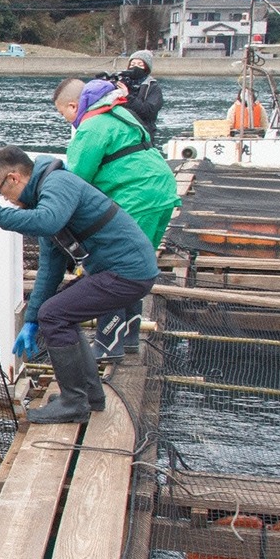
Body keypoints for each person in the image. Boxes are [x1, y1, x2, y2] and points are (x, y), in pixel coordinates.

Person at [0, 146, 159, 423]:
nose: (5, 200)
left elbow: (47, 222)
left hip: (128, 273)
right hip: (114, 272)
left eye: (0, 192)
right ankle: (89, 394)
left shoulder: (57, 184)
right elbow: (50, 270)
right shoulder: (44, 201)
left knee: (56, 315)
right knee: (54, 313)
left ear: (14, 178)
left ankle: (73, 403)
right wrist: (33, 320)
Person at [53, 77, 179, 360]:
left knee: (115, 268)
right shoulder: (118, 113)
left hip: (137, 198)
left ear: (74, 105)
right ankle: (130, 336)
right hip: (161, 193)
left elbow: (75, 180)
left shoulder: (92, 127)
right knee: (137, 266)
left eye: (64, 114)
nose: (66, 120)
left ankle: (108, 344)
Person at [110, 49, 164, 144]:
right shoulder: (122, 83)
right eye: (132, 64)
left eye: (140, 65)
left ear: (147, 68)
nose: (135, 67)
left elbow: (149, 111)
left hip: (143, 135)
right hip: (121, 132)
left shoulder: (153, 87)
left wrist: (128, 96)